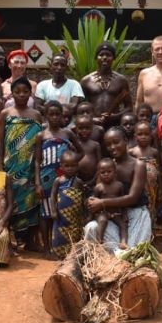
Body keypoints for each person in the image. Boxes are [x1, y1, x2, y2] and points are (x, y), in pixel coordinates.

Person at [84, 127, 153, 252]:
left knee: (133, 251)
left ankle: (119, 255)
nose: (112, 147)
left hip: (136, 214)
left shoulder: (138, 165)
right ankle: (113, 256)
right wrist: (92, 202)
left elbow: (133, 198)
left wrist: (102, 203)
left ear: (126, 141)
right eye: (108, 144)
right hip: (112, 216)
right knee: (91, 228)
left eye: (116, 142)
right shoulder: (107, 167)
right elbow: (98, 192)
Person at [0, 77, 43, 251]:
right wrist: (0, 165)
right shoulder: (6, 113)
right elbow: (0, 140)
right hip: (11, 166)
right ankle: (9, 240)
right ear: (12, 93)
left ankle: (30, 240)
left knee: (31, 203)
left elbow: (39, 141)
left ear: (30, 94)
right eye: (18, 92)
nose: (22, 95)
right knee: (10, 201)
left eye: (25, 92)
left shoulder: (36, 115)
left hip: (30, 167)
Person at [37, 100, 83, 257]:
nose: (55, 117)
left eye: (58, 114)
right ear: (46, 116)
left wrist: (71, 160)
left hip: (65, 178)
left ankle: (62, 245)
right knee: (46, 213)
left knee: (61, 213)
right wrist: (37, 182)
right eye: (51, 114)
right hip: (46, 178)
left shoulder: (67, 133)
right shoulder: (41, 135)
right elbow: (37, 161)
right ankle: (46, 248)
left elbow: (81, 151)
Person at [80, 42, 133, 128]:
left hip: (114, 126)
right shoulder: (86, 81)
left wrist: (115, 116)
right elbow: (79, 108)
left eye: (108, 55)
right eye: (101, 55)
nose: (104, 58)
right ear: (96, 58)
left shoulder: (121, 80)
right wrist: (92, 119)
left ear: (113, 58)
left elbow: (129, 107)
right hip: (92, 126)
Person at [50, 150, 87, 258]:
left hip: (75, 217)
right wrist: (53, 210)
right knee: (60, 237)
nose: (70, 168)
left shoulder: (79, 182)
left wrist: (85, 214)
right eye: (67, 166)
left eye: (73, 166)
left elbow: (82, 198)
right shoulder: (58, 181)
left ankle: (72, 258)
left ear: (77, 166)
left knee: (74, 236)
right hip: (61, 217)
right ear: (61, 166)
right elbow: (52, 196)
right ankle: (60, 257)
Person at [92, 158, 128, 249]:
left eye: (109, 171)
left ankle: (123, 241)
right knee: (102, 220)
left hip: (116, 213)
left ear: (115, 172)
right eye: (103, 172)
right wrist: (91, 216)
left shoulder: (119, 185)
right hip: (103, 212)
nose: (106, 174)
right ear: (99, 174)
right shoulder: (98, 187)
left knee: (123, 224)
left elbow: (123, 201)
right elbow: (94, 203)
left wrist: (124, 214)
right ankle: (99, 242)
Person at [128, 121, 159, 227]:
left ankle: (150, 230)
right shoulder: (132, 152)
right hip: (139, 187)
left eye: (146, 134)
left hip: (152, 187)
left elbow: (158, 168)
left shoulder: (154, 152)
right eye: (140, 134)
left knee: (152, 205)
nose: (143, 137)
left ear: (151, 135)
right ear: (135, 136)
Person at [75, 115, 102, 184]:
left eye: (87, 128)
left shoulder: (95, 145)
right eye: (81, 128)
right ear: (76, 129)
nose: (84, 131)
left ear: (92, 128)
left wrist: (93, 181)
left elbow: (100, 165)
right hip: (77, 182)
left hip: (93, 180)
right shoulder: (74, 145)